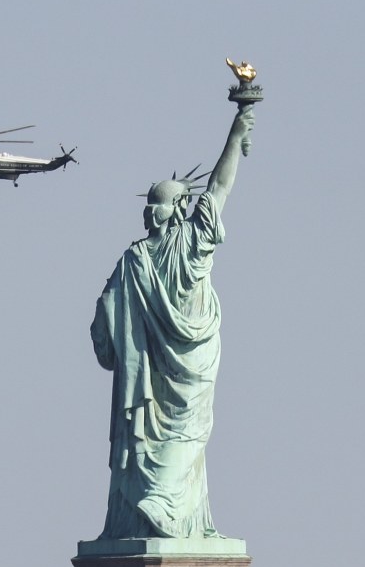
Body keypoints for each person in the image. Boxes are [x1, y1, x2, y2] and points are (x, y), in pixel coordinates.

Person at [90, 102, 255, 540]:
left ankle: (158, 505)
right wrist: (236, 136)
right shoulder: (194, 243)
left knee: (158, 430)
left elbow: (104, 320)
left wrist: (115, 343)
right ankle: (163, 504)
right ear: (181, 210)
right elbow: (220, 186)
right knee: (189, 431)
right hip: (195, 359)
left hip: (150, 369)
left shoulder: (134, 260)